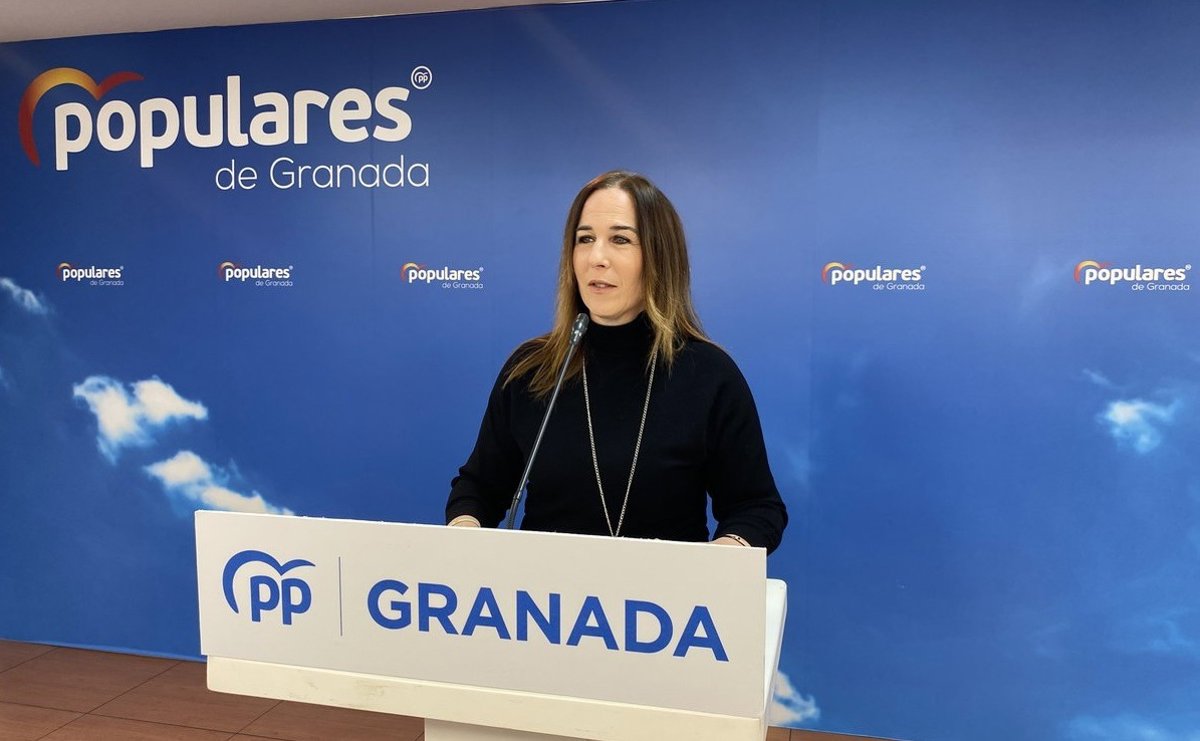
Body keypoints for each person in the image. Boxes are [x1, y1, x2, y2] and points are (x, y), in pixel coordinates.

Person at [445, 170, 787, 553]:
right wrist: (465, 527)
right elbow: (479, 487)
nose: (597, 258)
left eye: (620, 239)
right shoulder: (531, 370)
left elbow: (756, 508)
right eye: (585, 239)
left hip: (665, 590)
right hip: (542, 588)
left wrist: (726, 554)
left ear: (659, 256)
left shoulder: (708, 374)